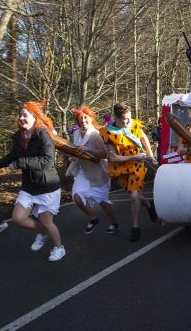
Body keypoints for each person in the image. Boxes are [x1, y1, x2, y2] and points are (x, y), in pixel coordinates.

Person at [0, 101, 66, 262]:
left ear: (34, 117)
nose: (21, 117)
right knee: (18, 219)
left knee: (46, 221)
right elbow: (13, 156)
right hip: (29, 186)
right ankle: (43, 232)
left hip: (47, 186)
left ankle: (59, 248)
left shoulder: (42, 134)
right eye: (20, 115)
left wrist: (20, 163)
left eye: (25, 114)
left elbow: (47, 161)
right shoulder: (19, 136)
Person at [100, 103, 158, 241]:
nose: (128, 121)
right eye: (124, 119)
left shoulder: (133, 125)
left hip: (137, 165)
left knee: (133, 196)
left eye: (129, 118)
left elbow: (143, 138)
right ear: (117, 118)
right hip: (119, 168)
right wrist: (134, 156)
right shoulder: (109, 132)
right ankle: (149, 205)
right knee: (135, 196)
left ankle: (135, 227)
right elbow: (112, 157)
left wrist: (150, 156)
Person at [68, 107, 119, 234]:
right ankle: (93, 217)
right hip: (83, 171)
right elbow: (75, 150)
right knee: (77, 198)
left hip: (98, 173)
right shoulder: (75, 133)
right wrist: (72, 155)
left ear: (91, 118)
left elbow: (103, 154)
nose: (83, 120)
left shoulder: (95, 134)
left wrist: (87, 150)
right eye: (80, 118)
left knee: (102, 201)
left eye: (85, 117)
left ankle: (114, 223)